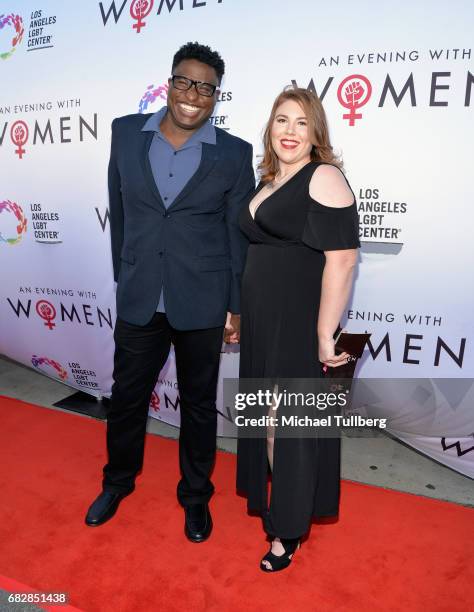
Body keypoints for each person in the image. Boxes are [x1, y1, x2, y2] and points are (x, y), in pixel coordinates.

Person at [85, 42, 254, 543]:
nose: (192, 94)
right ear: (169, 81)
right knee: (127, 396)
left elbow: (234, 235)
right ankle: (117, 483)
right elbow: (118, 209)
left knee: (199, 404)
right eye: (185, 81)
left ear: (216, 96)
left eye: (206, 87)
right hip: (140, 295)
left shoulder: (234, 153)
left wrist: (235, 305)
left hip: (201, 300)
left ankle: (196, 497)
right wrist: (125, 271)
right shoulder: (123, 133)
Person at [236, 87, 359, 571]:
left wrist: (325, 335)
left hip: (297, 320)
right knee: (269, 423)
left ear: (316, 133)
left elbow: (343, 259)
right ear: (270, 126)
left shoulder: (323, 175)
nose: (289, 131)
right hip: (264, 319)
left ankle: (287, 529)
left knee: (286, 427)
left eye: (302, 123)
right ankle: (289, 507)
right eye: (281, 120)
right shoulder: (267, 178)